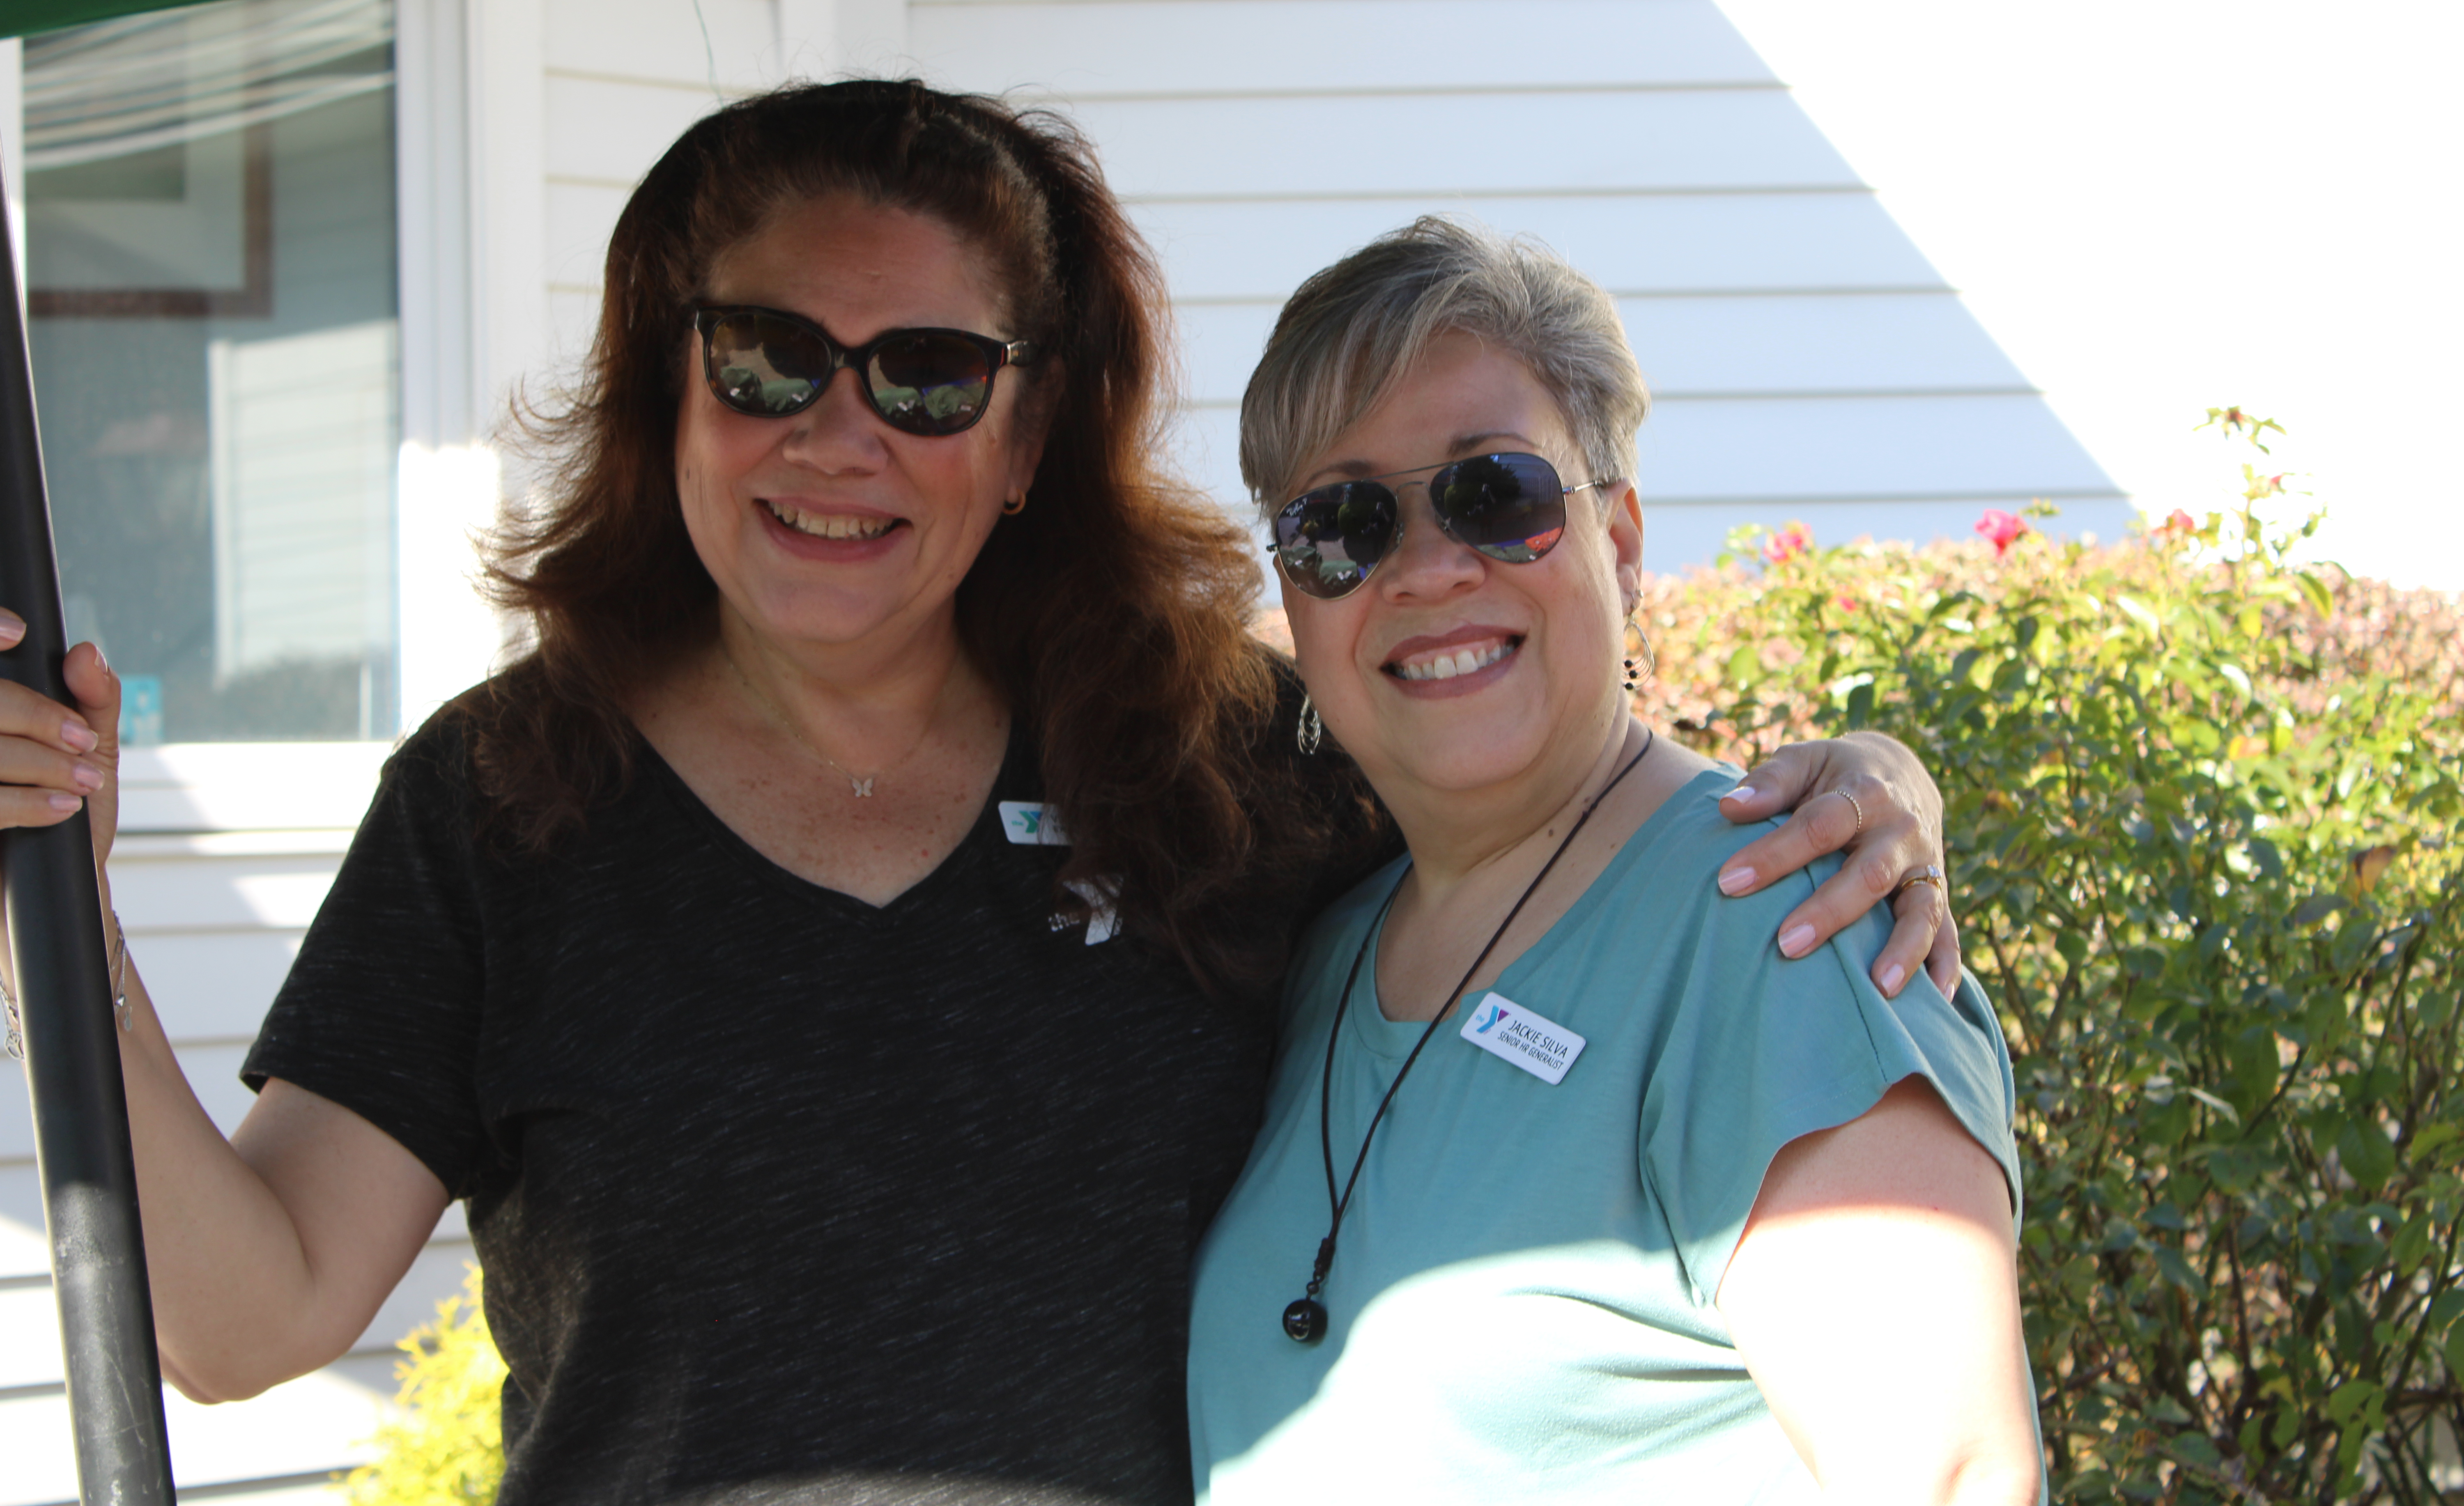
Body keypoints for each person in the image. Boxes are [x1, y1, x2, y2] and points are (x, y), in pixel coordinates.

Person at [0, 82, 1961, 1506]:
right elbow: (242, 1319)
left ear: (1025, 437)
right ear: (667, 393)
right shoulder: (509, 801)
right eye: (769, 358)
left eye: (928, 375)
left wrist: (1865, 788)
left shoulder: (1219, 759)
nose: (839, 435)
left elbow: (1530, 800)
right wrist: (60, 925)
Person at [1187, 218, 2042, 1504]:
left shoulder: (1785, 930)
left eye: (1495, 493)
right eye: (1342, 525)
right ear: (1296, 601)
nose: (1425, 570)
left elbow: (1951, 1479)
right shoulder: (1330, 946)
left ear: (1624, 541)